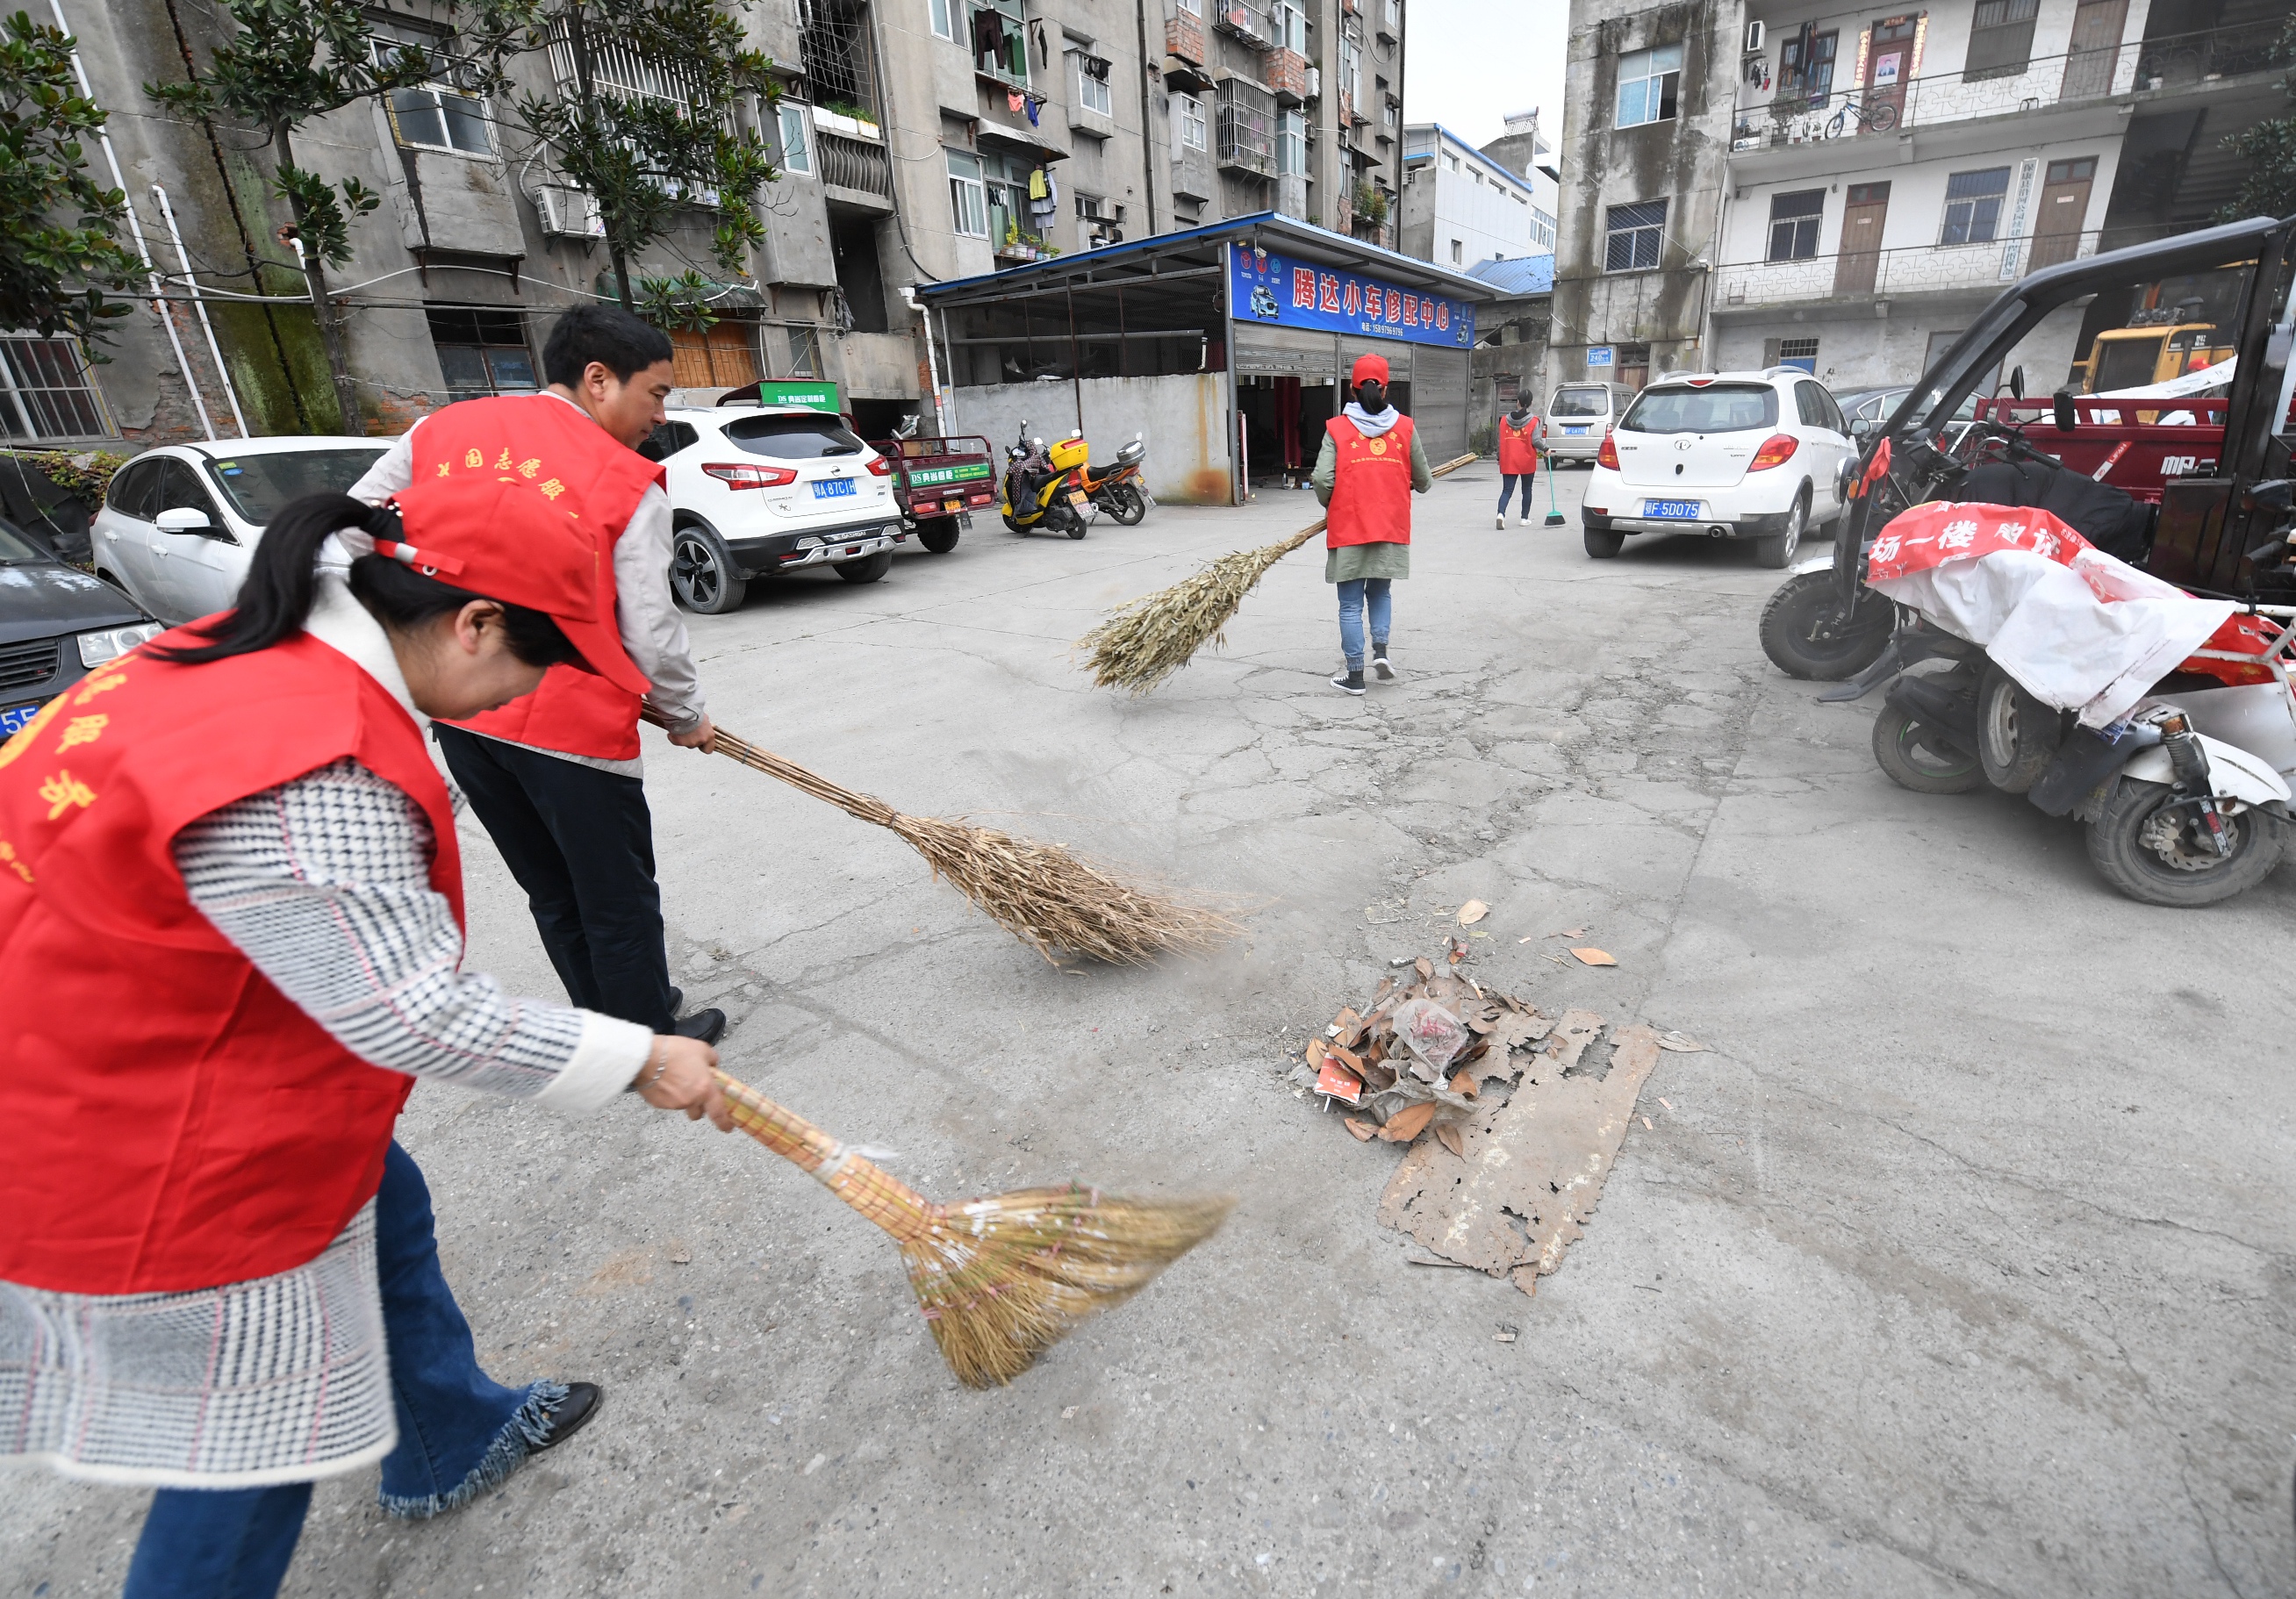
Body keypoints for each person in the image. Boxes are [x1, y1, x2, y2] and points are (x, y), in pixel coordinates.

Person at [0, 477, 736, 1599]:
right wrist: (642, 1054)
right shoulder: (316, 758)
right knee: (257, 1438)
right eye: (531, 671)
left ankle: (447, 1435)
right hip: (136, 1124)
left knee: (383, 1202)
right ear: (473, 622)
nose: (519, 699)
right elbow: (414, 1011)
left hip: (132, 1029)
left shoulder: (241, 651)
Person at [349, 305, 725, 1048]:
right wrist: (686, 714)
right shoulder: (625, 481)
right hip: (573, 726)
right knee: (615, 892)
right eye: (656, 393)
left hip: (461, 711)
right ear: (599, 380)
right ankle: (647, 1039)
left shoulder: (440, 431)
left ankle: (601, 1023)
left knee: (550, 887)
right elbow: (650, 627)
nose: (661, 415)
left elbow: (354, 525)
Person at [1313, 353, 1432, 695]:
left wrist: (1331, 504)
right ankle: (1380, 651)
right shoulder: (1405, 428)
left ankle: (1355, 676)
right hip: (1389, 528)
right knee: (1380, 592)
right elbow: (1424, 481)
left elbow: (1322, 479)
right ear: (1385, 389)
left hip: (1349, 528)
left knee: (1350, 605)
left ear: (1351, 390)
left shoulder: (1336, 429)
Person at [1496, 395, 1545, 527]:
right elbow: (1536, 441)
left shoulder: (1504, 420)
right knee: (1527, 489)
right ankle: (1524, 518)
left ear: (1518, 402)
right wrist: (1546, 448)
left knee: (1507, 490)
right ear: (1530, 404)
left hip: (1509, 459)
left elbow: (1500, 441)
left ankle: (1501, 514)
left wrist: (1499, 456)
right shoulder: (1534, 421)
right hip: (1526, 460)